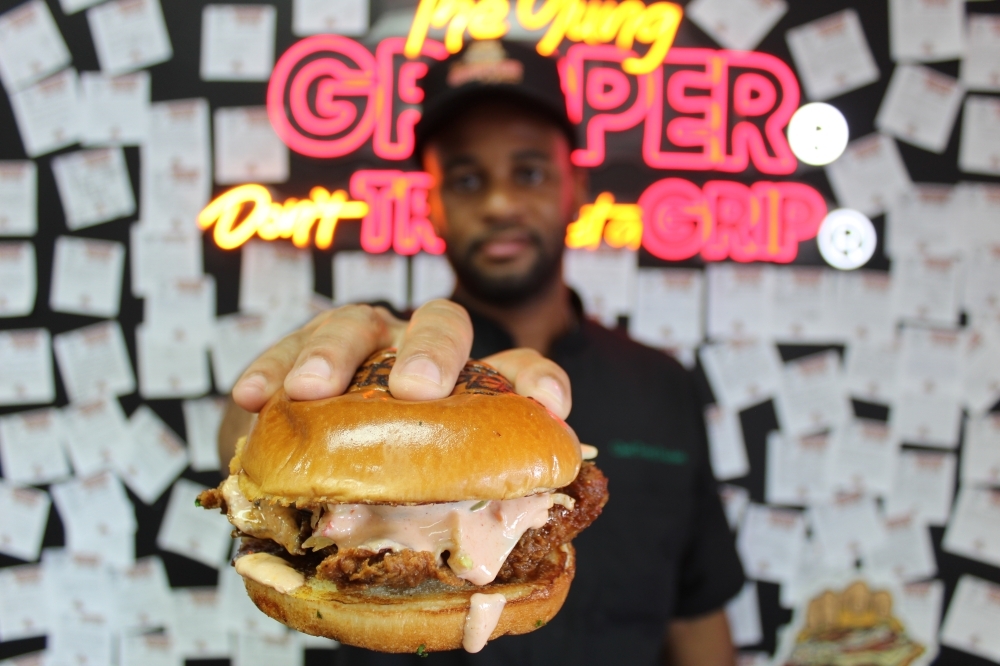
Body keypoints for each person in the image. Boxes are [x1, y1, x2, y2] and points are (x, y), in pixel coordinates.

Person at [219, 40, 744, 666]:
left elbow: (698, 611)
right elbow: (238, 438)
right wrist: (272, 410)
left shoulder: (662, 384)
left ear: (577, 186)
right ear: (431, 205)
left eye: (528, 172)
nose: (498, 203)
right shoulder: (373, 367)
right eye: (466, 179)